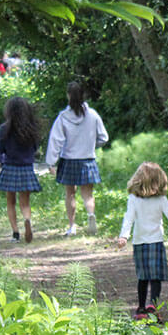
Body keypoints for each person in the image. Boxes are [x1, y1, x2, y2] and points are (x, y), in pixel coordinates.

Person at [116, 162, 168, 320]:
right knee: (155, 277)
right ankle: (153, 305)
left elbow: (128, 219)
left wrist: (124, 236)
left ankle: (141, 308)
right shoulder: (160, 199)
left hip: (139, 243)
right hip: (156, 243)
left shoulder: (133, 199)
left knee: (142, 277)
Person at [45, 81, 108, 236]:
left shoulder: (63, 117)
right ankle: (91, 215)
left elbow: (56, 140)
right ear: (83, 95)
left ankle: (72, 226)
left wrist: (51, 162)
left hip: (69, 160)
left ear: (68, 96)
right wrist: (92, 145)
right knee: (88, 194)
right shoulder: (93, 115)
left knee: (70, 194)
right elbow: (104, 137)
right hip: (87, 159)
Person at [0, 96, 43, 243]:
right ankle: (27, 219)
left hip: (10, 167)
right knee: (25, 202)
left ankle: (15, 233)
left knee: (11, 201)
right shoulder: (31, 128)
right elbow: (35, 148)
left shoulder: (4, 129)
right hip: (26, 168)